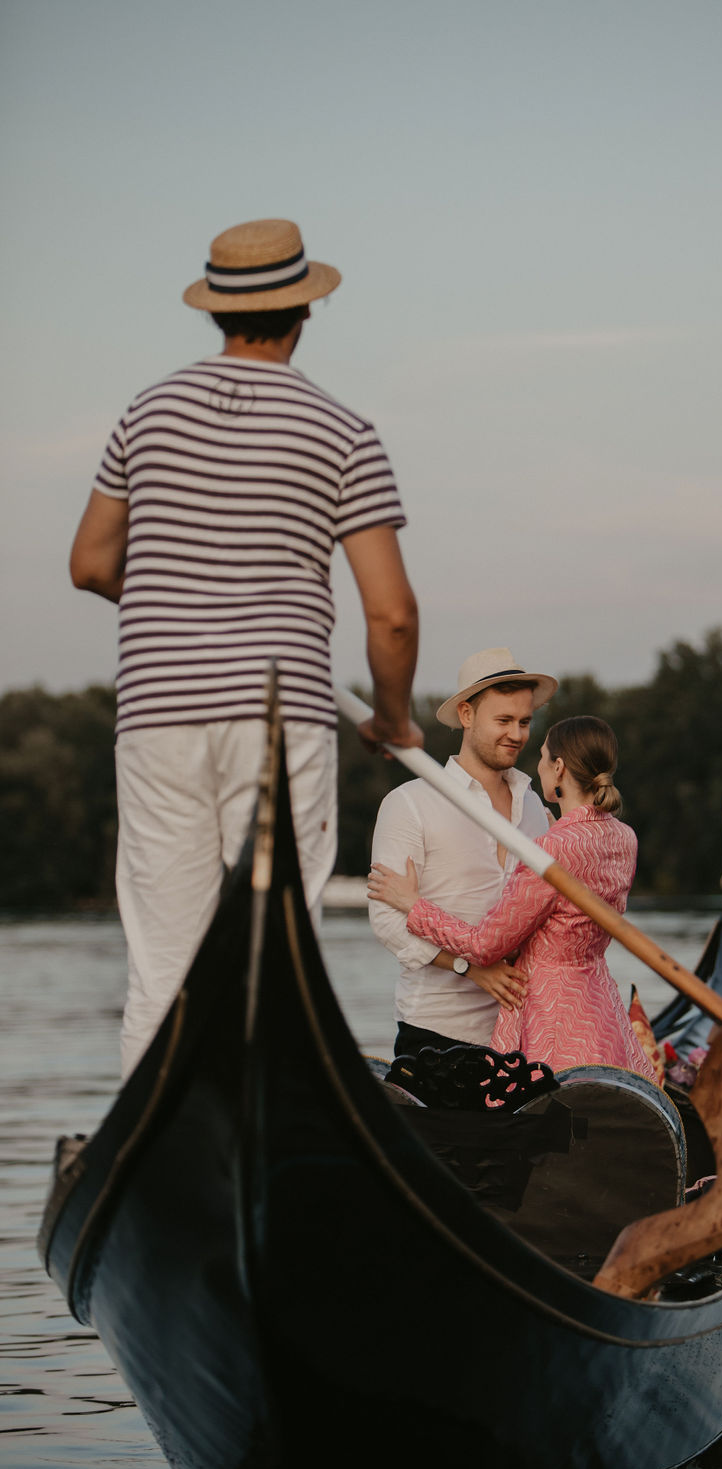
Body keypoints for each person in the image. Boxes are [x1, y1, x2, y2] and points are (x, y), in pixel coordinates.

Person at [69, 218, 422, 1079]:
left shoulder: (145, 414)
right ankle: (265, 1132)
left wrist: (178, 602)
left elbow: (89, 565)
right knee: (278, 949)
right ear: (306, 309)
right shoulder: (343, 430)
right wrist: (394, 717)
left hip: (158, 711)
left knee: (163, 951)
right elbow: (393, 616)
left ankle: (160, 1164)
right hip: (279, 714)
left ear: (216, 314)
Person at [368, 716, 657, 1081]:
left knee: (539, 1120)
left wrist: (414, 905)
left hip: (550, 1019)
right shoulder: (624, 837)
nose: (536, 765)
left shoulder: (551, 848)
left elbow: (485, 945)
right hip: (600, 1009)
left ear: (559, 768)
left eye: (541, 756)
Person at [368, 647, 556, 1058]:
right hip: (436, 1032)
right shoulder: (409, 803)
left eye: (524, 722)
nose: (517, 734)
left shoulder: (538, 813)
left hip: (525, 1034)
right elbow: (386, 920)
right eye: (503, 720)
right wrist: (470, 968)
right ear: (467, 716)